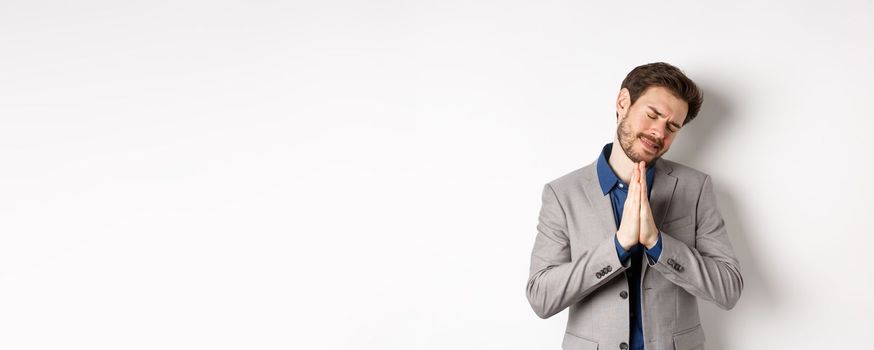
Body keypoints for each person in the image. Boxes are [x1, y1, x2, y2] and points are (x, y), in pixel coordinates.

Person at [525, 62, 743, 350]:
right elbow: (541, 297)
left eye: (672, 126)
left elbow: (728, 289)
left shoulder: (696, 188)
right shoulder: (562, 194)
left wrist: (658, 244)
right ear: (623, 102)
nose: (659, 132)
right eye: (652, 115)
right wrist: (617, 246)